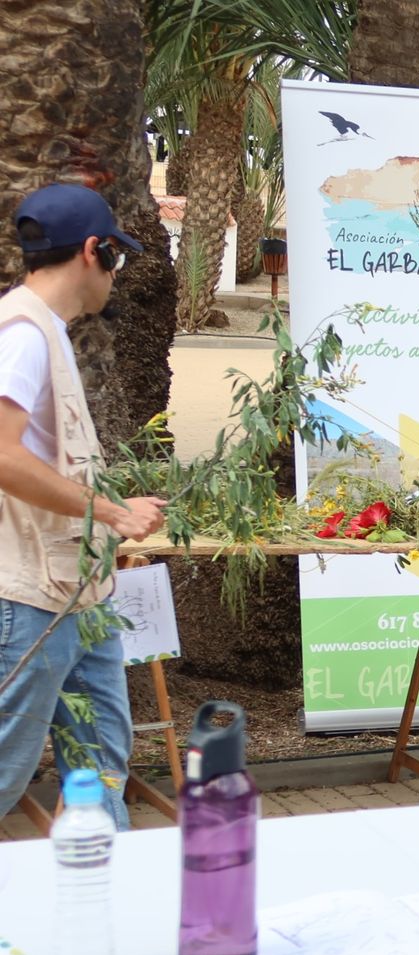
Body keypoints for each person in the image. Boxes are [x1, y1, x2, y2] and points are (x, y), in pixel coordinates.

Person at [0, 183, 164, 830]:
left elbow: (48, 457)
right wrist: (114, 513)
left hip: (82, 596)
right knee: (7, 769)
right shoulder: (24, 335)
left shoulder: (51, 332)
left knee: (99, 764)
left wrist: (112, 504)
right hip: (33, 598)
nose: (115, 277)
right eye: (116, 259)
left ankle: (99, 911)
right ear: (93, 251)